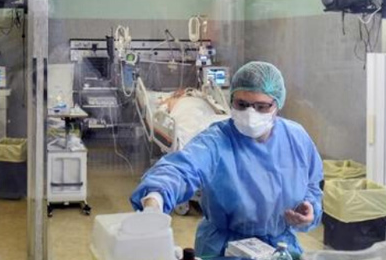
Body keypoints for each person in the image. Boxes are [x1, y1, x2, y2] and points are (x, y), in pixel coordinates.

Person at [130, 61, 323, 257]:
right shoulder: (216, 141)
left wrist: (309, 208)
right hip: (223, 249)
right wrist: (155, 198)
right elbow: (181, 168)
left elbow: (313, 185)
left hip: (280, 249)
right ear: (231, 101)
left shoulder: (296, 138)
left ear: (277, 104)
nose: (250, 113)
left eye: (261, 107)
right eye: (242, 104)